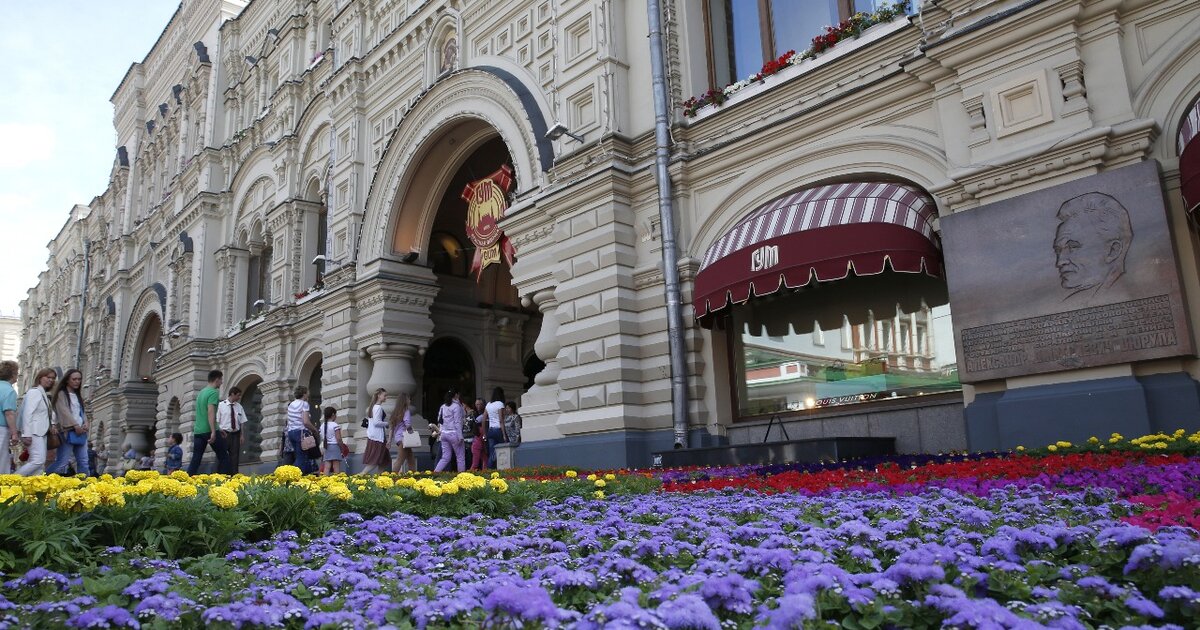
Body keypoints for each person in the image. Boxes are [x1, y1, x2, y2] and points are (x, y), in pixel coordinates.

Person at [1053, 192, 1133, 304]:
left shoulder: (1134, 293)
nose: (1060, 261)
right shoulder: (1068, 304)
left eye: (1073, 247)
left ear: (1112, 251)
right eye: (1058, 250)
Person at [47, 369, 90, 476]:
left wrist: (86, 423)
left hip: (81, 432)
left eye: (79, 379)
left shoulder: (78, 395)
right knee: (62, 462)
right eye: (74, 379)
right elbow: (64, 411)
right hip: (68, 431)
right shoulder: (61, 394)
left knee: (84, 462)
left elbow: (82, 411)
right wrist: (75, 425)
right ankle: (44, 478)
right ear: (67, 380)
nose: (77, 381)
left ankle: (85, 486)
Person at [15, 368, 56, 476]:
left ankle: (34, 489)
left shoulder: (44, 395)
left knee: (40, 463)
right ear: (40, 378)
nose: (51, 380)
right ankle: (11, 480)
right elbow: (27, 413)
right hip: (34, 432)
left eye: (53, 378)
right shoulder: (35, 392)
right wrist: (26, 434)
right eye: (48, 377)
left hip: (41, 432)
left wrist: (52, 424)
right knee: (38, 460)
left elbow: (47, 413)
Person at [188, 370, 229, 475]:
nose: (221, 382)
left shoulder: (201, 392)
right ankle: (222, 482)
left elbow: (202, 413)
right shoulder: (214, 392)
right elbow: (210, 412)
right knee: (224, 456)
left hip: (198, 431)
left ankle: (185, 480)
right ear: (217, 379)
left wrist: (219, 428)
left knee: (196, 459)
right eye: (221, 380)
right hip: (209, 430)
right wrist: (214, 431)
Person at [285, 386, 319, 475]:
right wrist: (314, 429)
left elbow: (289, 421)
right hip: (301, 432)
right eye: (307, 392)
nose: (308, 394)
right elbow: (306, 422)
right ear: (304, 393)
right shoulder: (304, 404)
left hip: (291, 432)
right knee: (302, 457)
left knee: (298, 455)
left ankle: (297, 476)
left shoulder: (291, 404)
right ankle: (295, 477)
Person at [433, 389, 468, 473]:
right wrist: (460, 436)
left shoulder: (443, 406)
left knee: (445, 457)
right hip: (454, 434)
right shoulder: (456, 406)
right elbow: (458, 421)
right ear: (456, 396)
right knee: (460, 457)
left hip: (444, 434)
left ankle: (435, 473)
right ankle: (462, 477)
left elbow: (439, 420)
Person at [360, 389, 392, 474]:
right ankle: (360, 475)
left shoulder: (373, 407)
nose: (386, 397)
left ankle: (378, 479)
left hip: (375, 436)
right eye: (384, 395)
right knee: (375, 460)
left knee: (384, 461)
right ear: (379, 395)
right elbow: (376, 422)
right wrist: (387, 423)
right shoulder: (378, 408)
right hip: (378, 437)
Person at [216, 386, 247, 474]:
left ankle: (234, 475)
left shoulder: (239, 406)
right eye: (238, 395)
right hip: (224, 433)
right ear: (232, 394)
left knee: (235, 456)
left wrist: (242, 435)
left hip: (236, 434)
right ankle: (221, 475)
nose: (239, 397)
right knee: (223, 455)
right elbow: (217, 420)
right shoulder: (221, 406)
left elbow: (242, 422)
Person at [390, 392, 417, 474]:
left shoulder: (396, 412)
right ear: (405, 400)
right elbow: (407, 424)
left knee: (410, 459)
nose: (410, 400)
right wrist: (412, 432)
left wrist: (389, 441)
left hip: (399, 438)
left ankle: (413, 476)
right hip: (404, 438)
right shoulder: (406, 411)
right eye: (409, 399)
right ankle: (392, 478)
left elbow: (392, 428)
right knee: (400, 460)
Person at [0, 361, 18, 474]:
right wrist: (14, 433)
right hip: (1, 429)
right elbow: (9, 413)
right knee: (2, 459)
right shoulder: (10, 391)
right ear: (12, 374)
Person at [485, 387, 507, 469]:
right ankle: (502, 469)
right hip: (498, 430)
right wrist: (504, 434)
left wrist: (484, 433)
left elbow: (484, 419)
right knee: (502, 451)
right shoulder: (500, 404)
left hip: (490, 430)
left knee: (492, 453)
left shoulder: (488, 404)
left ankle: (489, 470)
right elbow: (501, 420)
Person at [321, 406, 347, 475]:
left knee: (327, 466)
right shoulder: (335, 425)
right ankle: (336, 481)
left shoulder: (322, 425)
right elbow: (338, 438)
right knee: (336, 466)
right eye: (336, 414)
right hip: (335, 446)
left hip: (326, 446)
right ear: (333, 414)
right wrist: (342, 447)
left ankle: (324, 481)